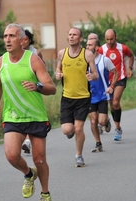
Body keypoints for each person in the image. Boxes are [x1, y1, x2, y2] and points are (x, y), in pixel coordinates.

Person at [0, 23, 56, 201]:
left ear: (22, 40)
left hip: (35, 116)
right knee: (11, 155)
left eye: (11, 36)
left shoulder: (33, 60)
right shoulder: (0, 62)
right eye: (5, 36)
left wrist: (38, 86)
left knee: (39, 159)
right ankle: (28, 174)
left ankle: (45, 194)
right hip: (12, 117)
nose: (7, 40)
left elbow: (52, 88)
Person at [55, 27, 98, 167]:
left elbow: (96, 74)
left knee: (79, 128)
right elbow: (58, 69)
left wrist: (92, 76)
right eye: (70, 34)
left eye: (74, 35)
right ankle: (72, 131)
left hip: (83, 97)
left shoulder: (87, 54)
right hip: (67, 97)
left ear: (80, 39)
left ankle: (78, 155)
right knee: (67, 130)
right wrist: (57, 74)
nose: (71, 37)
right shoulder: (62, 53)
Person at [99, 29, 134, 141]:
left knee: (115, 102)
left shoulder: (122, 48)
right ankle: (108, 120)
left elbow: (131, 56)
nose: (109, 41)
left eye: (111, 39)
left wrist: (130, 68)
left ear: (116, 37)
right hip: (107, 81)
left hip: (120, 78)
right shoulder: (101, 49)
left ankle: (118, 129)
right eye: (107, 39)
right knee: (111, 105)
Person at [86, 37, 118, 152]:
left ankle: (106, 121)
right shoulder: (84, 62)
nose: (87, 47)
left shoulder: (104, 60)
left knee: (101, 122)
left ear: (97, 47)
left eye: (90, 45)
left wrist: (111, 87)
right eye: (87, 44)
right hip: (90, 96)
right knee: (93, 121)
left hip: (103, 95)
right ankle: (98, 143)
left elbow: (115, 73)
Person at [21, 29, 44, 154]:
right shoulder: (14, 53)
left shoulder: (36, 53)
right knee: (23, 112)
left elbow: (43, 70)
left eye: (25, 39)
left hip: (33, 87)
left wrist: (38, 85)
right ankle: (27, 140)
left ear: (29, 40)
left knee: (30, 112)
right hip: (20, 88)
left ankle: (28, 141)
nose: (23, 41)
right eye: (21, 38)